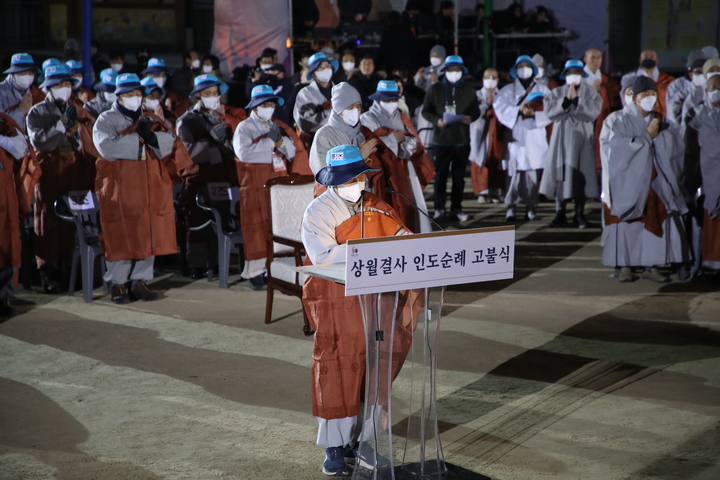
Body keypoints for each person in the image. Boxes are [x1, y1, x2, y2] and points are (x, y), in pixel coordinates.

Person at [300, 144, 414, 476]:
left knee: (375, 364)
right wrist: (370, 251)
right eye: (348, 180)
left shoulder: (379, 206)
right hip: (336, 296)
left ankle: (366, 441)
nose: (356, 185)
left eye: (360, 178)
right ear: (333, 181)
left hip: (378, 296)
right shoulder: (318, 210)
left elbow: (404, 240)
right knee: (337, 366)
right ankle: (334, 446)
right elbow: (322, 256)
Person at [94, 73, 193, 304]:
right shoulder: (105, 120)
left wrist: (150, 136)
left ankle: (140, 281)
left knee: (147, 230)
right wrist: (142, 141)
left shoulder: (149, 117)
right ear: (118, 97)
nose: (134, 98)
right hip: (120, 188)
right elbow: (106, 147)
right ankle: (118, 283)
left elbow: (170, 142)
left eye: (137, 93)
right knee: (120, 231)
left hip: (149, 186)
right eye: (128, 94)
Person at [599, 76, 690, 282]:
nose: (649, 98)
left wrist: (659, 140)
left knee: (655, 217)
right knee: (627, 221)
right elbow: (615, 148)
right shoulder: (618, 119)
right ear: (635, 98)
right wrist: (645, 140)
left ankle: (653, 265)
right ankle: (625, 265)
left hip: (656, 180)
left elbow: (675, 148)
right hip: (628, 181)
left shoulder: (662, 120)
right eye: (644, 95)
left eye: (652, 94)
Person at [27, 64, 99, 293]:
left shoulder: (78, 109)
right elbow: (39, 141)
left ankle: (72, 271)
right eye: (59, 84)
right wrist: (61, 125)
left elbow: (92, 133)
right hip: (51, 175)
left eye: (67, 84)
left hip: (76, 174)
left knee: (75, 223)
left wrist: (77, 129)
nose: (64, 88)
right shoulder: (37, 112)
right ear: (48, 87)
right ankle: (49, 273)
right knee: (48, 222)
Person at [232, 84, 308, 290]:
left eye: (271, 104)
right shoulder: (244, 127)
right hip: (255, 184)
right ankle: (256, 273)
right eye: (264, 104)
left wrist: (281, 142)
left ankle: (276, 270)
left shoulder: (278, 125)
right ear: (254, 106)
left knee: (279, 226)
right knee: (257, 227)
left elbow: (293, 152)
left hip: (279, 183)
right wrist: (271, 144)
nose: (268, 108)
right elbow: (244, 154)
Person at [309, 82, 413, 227]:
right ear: (338, 109)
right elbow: (325, 174)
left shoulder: (363, 133)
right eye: (350, 107)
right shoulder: (325, 135)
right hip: (336, 207)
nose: (355, 111)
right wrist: (358, 156)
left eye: (358, 107)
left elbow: (383, 161)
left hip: (366, 201)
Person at [176, 74, 246, 279]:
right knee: (198, 221)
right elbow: (188, 153)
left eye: (216, 93)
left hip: (224, 176)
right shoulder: (186, 121)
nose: (213, 97)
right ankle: (196, 265)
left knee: (224, 218)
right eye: (208, 93)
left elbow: (237, 147)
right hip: (198, 178)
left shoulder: (225, 118)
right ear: (198, 95)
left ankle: (217, 263)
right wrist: (212, 142)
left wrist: (227, 143)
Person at [360, 80, 436, 232]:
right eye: (387, 100)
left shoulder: (401, 117)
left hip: (402, 168)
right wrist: (391, 140)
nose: (392, 103)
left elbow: (413, 140)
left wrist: (404, 143)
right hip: (381, 167)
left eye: (394, 100)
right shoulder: (367, 118)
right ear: (378, 100)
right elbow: (368, 143)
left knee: (406, 201)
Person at [541, 59, 602, 228]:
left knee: (581, 173)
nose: (573, 76)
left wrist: (577, 102)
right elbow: (550, 113)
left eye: (576, 73)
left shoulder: (591, 94)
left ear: (582, 75)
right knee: (561, 174)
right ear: (564, 75)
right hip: (561, 138)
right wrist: (566, 102)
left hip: (582, 139)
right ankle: (560, 212)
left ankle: (579, 213)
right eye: (569, 73)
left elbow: (593, 113)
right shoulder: (556, 92)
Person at [421, 55, 480, 221]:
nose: (454, 73)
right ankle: (439, 208)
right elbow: (426, 110)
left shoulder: (469, 89)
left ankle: (456, 208)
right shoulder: (435, 89)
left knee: (458, 177)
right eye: (451, 70)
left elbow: (475, 111)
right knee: (440, 176)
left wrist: (470, 117)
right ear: (445, 71)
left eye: (457, 70)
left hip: (462, 140)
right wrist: (437, 120)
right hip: (441, 140)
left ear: (462, 71)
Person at [494, 57, 551, 220]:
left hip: (534, 134)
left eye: (527, 66)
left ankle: (530, 207)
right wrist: (518, 110)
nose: (524, 69)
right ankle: (511, 207)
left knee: (531, 173)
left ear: (533, 69)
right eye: (521, 66)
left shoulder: (543, 90)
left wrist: (535, 114)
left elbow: (552, 109)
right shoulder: (507, 90)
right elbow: (499, 107)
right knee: (513, 173)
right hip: (516, 135)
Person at [0, 111, 41, 316]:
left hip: (5, 196)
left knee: (8, 246)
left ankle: (4, 299)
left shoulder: (3, 122)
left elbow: (21, 148)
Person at [686, 74, 720, 273]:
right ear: (707, 91)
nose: (716, 90)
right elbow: (710, 146)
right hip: (712, 180)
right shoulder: (704, 118)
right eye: (713, 87)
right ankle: (712, 266)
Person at [469, 68, 505, 205]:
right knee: (480, 160)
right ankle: (482, 192)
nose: (490, 79)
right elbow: (473, 112)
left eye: (493, 77)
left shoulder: (502, 95)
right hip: (480, 133)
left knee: (496, 160)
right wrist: (487, 104)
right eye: (487, 77)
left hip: (497, 133)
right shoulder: (477, 95)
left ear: (498, 79)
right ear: (483, 79)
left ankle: (495, 191)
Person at [583, 48, 621, 174]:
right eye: (592, 58)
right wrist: (593, 91)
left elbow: (624, 92)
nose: (596, 61)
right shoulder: (579, 79)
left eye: (598, 57)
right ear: (585, 59)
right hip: (585, 121)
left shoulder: (607, 81)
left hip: (602, 119)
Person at [293, 52, 337, 150]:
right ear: (313, 73)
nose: (325, 69)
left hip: (338, 143)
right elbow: (304, 123)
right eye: (321, 67)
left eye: (327, 66)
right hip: (314, 145)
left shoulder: (340, 91)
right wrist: (333, 114)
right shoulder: (305, 93)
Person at [620, 50, 673, 117]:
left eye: (651, 57)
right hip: (636, 117)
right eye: (645, 56)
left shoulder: (668, 80)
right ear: (640, 60)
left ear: (656, 60)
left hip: (662, 117)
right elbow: (625, 99)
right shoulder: (628, 79)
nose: (648, 59)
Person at [1, 53, 45, 132]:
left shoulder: (38, 94)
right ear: (12, 74)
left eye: (30, 73)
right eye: (22, 73)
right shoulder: (1, 91)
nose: (27, 76)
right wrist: (20, 111)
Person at [666, 49, 707, 125]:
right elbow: (671, 111)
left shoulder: (710, 89)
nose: (700, 75)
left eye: (703, 71)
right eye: (697, 71)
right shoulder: (677, 85)